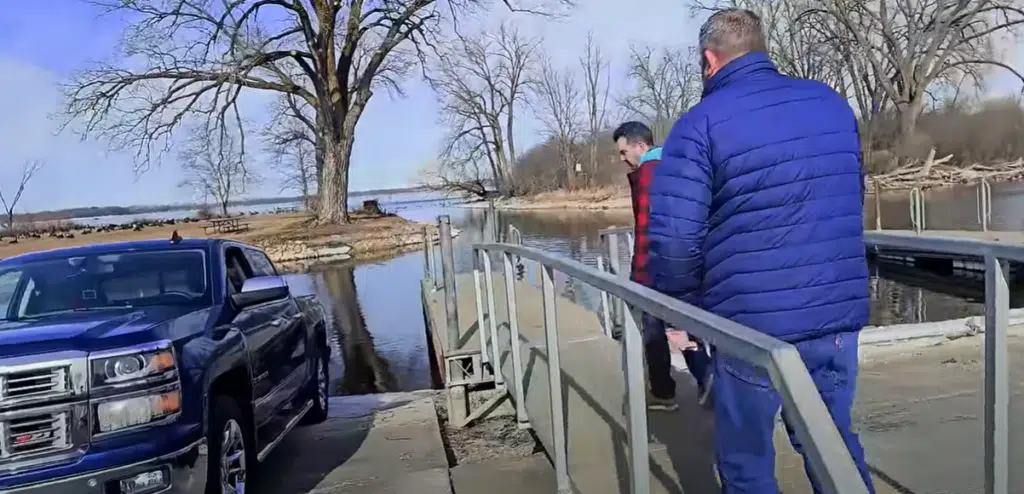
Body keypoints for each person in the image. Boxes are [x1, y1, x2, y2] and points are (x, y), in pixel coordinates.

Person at [645, 8, 875, 494]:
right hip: (835, 313)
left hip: (750, 323)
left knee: (747, 459)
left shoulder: (698, 125)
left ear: (710, 59)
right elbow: (853, 195)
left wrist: (682, 312)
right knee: (833, 443)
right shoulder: (831, 103)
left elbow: (675, 241)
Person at [612, 121, 714, 412]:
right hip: (689, 260)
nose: (622, 159)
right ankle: (705, 375)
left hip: (655, 264)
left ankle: (664, 392)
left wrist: (639, 274)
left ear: (640, 146)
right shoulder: (681, 166)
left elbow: (648, 226)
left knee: (653, 327)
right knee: (686, 321)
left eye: (623, 152)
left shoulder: (648, 173)